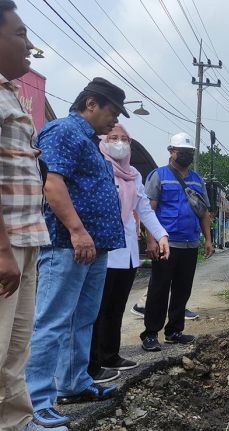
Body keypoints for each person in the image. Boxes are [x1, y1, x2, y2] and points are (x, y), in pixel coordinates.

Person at [25, 78, 129, 428]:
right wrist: (77, 230)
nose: (114, 122)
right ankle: (36, 400)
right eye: (112, 112)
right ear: (90, 103)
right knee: (52, 320)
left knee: (82, 318)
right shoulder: (63, 132)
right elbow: (53, 184)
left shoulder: (88, 140)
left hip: (93, 247)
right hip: (69, 245)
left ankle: (73, 383)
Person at [0, 3, 66, 430]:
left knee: (14, 350)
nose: (29, 44)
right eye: (21, 33)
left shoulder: (9, 93)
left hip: (26, 240)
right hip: (6, 244)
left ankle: (15, 422)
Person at [87, 124, 170, 384]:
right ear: (102, 140)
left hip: (127, 253)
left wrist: (161, 235)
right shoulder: (98, 167)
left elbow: (144, 209)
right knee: (96, 309)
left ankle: (110, 355)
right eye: (113, 138)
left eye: (125, 139)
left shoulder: (133, 175)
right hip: (103, 250)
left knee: (115, 307)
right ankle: (92, 363)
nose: (120, 143)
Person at [139, 132, 213, 352]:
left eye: (190, 152)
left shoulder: (198, 180)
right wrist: (150, 241)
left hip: (190, 243)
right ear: (172, 151)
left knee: (183, 289)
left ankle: (174, 331)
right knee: (159, 289)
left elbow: (204, 213)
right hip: (166, 245)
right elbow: (148, 210)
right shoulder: (158, 176)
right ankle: (150, 333)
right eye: (183, 152)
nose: (186, 156)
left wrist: (207, 239)